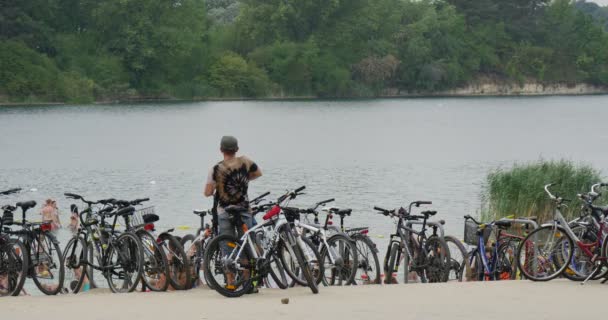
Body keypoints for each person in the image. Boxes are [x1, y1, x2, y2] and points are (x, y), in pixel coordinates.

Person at [204, 135, 262, 291]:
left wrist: (221, 185)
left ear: (221, 150)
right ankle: (248, 283)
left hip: (224, 212)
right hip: (244, 210)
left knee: (227, 246)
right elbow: (258, 173)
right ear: (236, 149)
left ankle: (230, 283)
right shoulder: (246, 162)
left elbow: (208, 192)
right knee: (246, 245)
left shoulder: (215, 169)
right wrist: (243, 180)